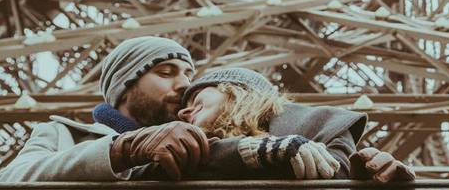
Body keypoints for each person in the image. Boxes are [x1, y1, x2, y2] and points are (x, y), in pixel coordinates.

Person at [0, 36, 413, 183]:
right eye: (166, 71)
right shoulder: (65, 136)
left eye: (189, 74)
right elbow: (6, 183)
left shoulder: (225, 143)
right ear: (125, 86)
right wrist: (124, 150)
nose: (184, 84)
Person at [176, 67, 412, 182]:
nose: (182, 112)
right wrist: (250, 150)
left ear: (237, 92)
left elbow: (337, 175)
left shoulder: (328, 125)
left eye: (197, 99)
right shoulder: (176, 149)